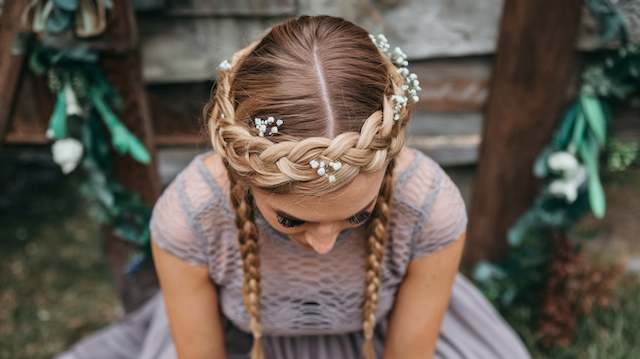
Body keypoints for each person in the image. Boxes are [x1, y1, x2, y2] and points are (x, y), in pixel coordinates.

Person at [56, 15, 530, 359]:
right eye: (290, 219)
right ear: (243, 175)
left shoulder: (429, 209)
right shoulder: (190, 218)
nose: (323, 245)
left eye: (357, 216)